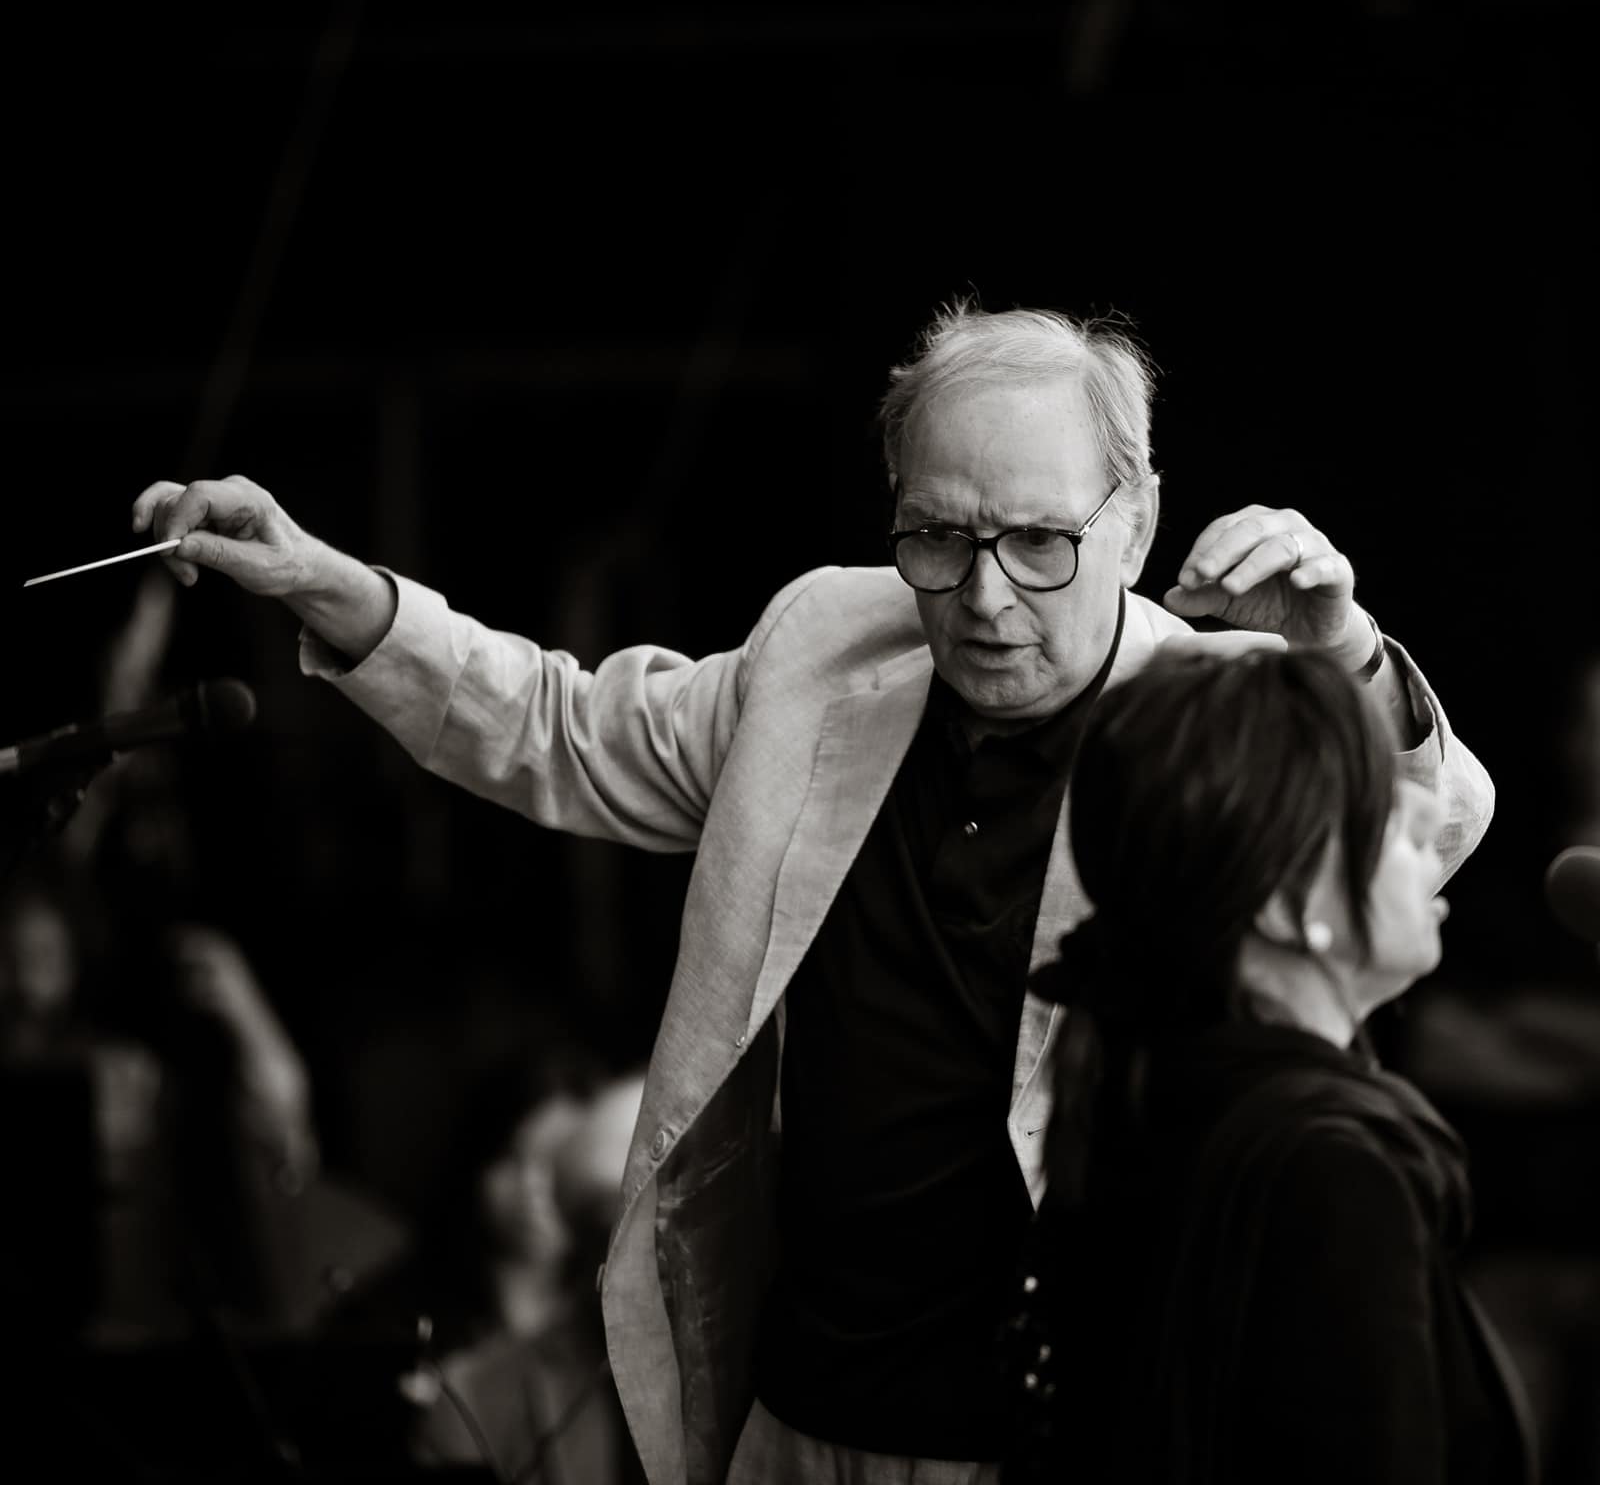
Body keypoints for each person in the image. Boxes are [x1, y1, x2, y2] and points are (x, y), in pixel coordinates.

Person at [131, 301, 1493, 1483]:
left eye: (1038, 541)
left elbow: (1421, 846)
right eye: (938, 536)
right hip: (795, 1413)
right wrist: (328, 586)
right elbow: (564, 728)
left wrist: (1348, 658)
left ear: (1134, 520)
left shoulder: (1216, 704)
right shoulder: (826, 644)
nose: (983, 596)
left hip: (1062, 1427)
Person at [999, 645, 1532, 1484]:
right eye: (1381, 806)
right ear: (1288, 907)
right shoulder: (1327, 1171)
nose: (1428, 820)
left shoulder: (1150, 1093)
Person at [326, 1042, 644, 1483]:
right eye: (512, 1158)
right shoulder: (400, 1319)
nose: (534, 1186)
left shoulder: (619, 1326)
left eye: (556, 1161)